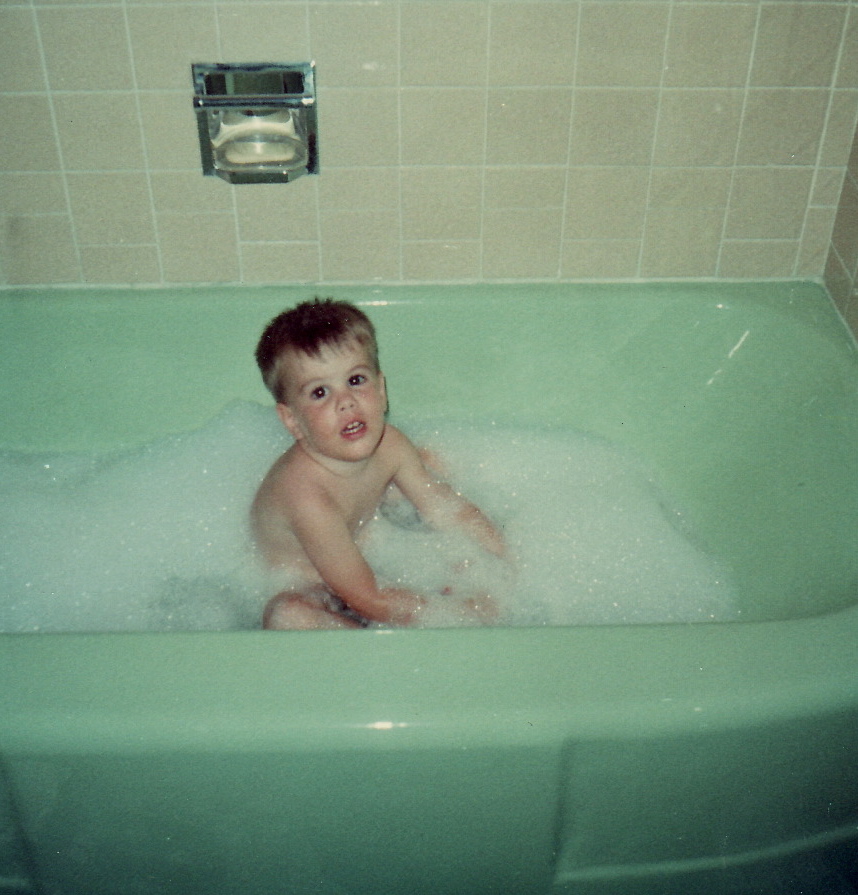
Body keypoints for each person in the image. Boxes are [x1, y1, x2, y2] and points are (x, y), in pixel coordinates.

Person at [251, 298, 508, 629]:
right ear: (292, 421)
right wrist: (461, 613)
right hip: (312, 586)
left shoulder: (389, 444)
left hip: (358, 552)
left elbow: (448, 511)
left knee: (431, 461)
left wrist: (505, 560)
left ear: (382, 389)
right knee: (288, 615)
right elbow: (369, 599)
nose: (346, 402)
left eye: (356, 380)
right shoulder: (306, 496)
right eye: (320, 393)